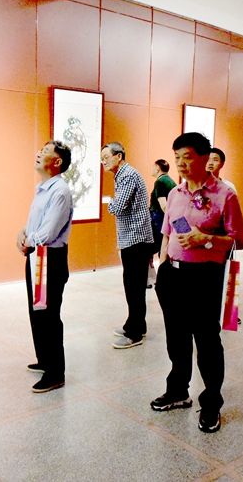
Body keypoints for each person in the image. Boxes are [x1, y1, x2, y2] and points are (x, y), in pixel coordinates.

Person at [150, 132, 243, 434]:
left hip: (205, 276)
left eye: (187, 157)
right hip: (173, 274)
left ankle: (211, 402)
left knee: (206, 340)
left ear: (205, 158)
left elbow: (239, 240)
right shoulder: (176, 193)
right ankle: (178, 390)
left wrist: (206, 239)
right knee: (176, 337)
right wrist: (163, 265)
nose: (181, 163)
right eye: (177, 157)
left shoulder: (224, 194)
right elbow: (167, 233)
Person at [16, 141, 73, 393]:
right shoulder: (43, 188)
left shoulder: (60, 191)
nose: (39, 153)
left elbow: (48, 232)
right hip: (37, 255)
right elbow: (35, 224)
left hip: (49, 257)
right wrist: (23, 234)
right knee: (37, 311)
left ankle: (55, 372)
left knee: (49, 315)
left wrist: (28, 241)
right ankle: (45, 359)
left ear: (57, 162)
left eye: (46, 151)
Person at [102, 142, 154, 349]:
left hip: (136, 239)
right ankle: (135, 324)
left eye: (106, 157)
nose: (103, 161)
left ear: (119, 156)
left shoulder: (128, 175)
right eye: (102, 158)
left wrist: (110, 203)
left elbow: (118, 207)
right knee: (133, 285)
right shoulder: (122, 175)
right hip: (132, 238)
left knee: (134, 286)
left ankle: (135, 333)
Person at [148, 159, 177, 286]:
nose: (151, 169)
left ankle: (159, 279)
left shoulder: (160, 182)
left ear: (157, 168)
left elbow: (164, 206)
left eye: (153, 166)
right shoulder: (171, 181)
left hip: (159, 221)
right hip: (167, 221)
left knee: (156, 250)